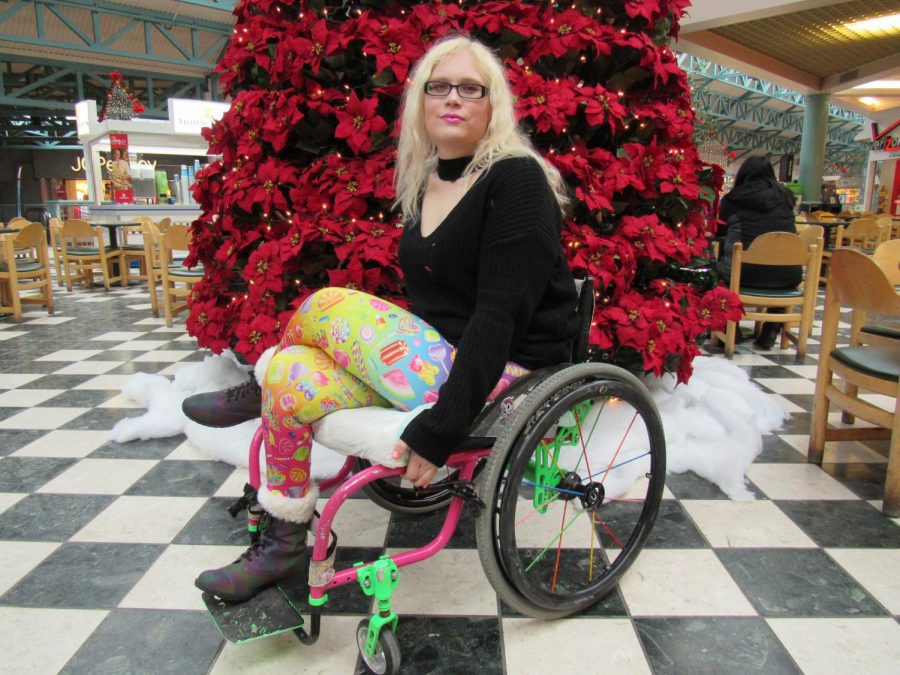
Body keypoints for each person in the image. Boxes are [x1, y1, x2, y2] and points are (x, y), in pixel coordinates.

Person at [185, 35, 581, 603]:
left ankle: (255, 386)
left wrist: (442, 428)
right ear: (420, 101)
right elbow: (438, 306)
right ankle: (284, 547)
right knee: (291, 377)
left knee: (323, 303)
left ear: (494, 105)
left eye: (471, 89)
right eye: (438, 87)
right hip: (439, 358)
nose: (454, 99)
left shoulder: (515, 180)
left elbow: (499, 314)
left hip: (508, 375)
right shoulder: (430, 182)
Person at [717, 155, 801, 350]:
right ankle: (771, 329)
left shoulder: (733, 199)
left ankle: (731, 327)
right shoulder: (786, 198)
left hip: (743, 273)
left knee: (715, 274)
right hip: (788, 275)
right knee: (774, 270)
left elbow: (719, 232)